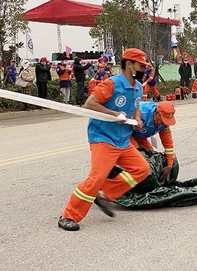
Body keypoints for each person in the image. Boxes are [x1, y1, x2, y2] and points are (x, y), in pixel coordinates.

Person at [58, 48, 151, 231]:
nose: (143, 70)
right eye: (141, 66)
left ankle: (105, 194)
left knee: (141, 169)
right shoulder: (111, 84)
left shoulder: (138, 87)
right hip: (103, 138)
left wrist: (137, 120)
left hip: (123, 140)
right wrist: (114, 113)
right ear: (129, 64)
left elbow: (136, 108)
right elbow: (90, 104)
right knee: (97, 177)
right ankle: (68, 215)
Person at [130, 101, 177, 181]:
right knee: (138, 157)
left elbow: (168, 143)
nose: (163, 123)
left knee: (151, 157)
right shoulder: (142, 113)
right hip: (127, 135)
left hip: (140, 136)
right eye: (163, 120)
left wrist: (169, 164)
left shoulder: (164, 124)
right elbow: (122, 129)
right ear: (157, 113)